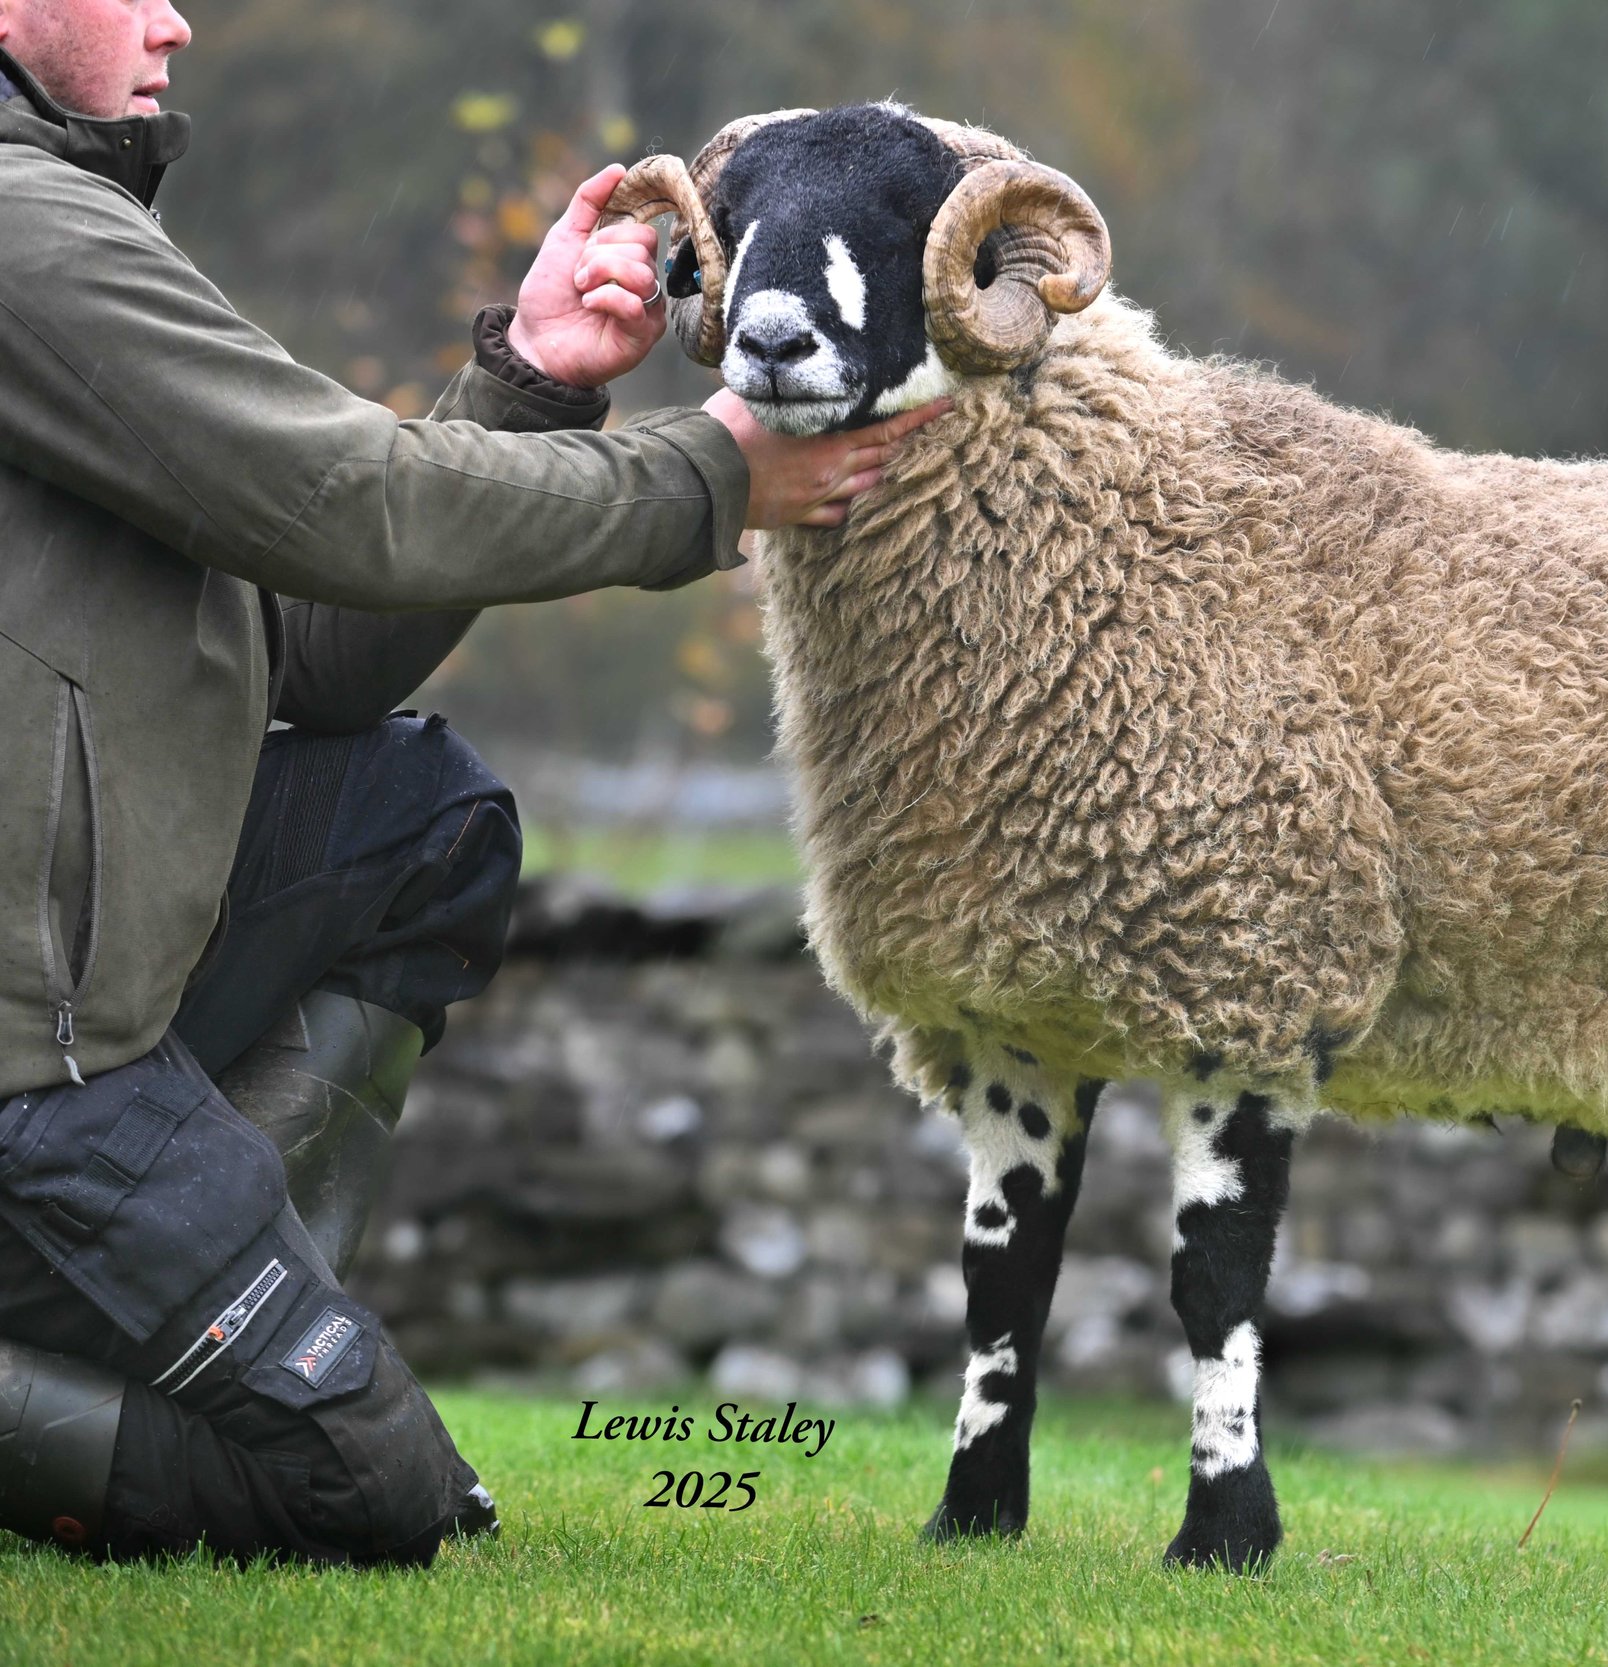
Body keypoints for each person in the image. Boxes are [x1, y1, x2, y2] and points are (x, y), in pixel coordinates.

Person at [0, 0, 946, 1566]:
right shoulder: (23, 234)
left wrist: (529, 380)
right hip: (38, 1088)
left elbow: (307, 652)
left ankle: (224, 1319)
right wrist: (706, 475)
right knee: (373, 1499)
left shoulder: (63, 222)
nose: (174, 17)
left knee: (419, 822)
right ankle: (238, 1358)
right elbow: (342, 502)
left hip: (102, 1008)